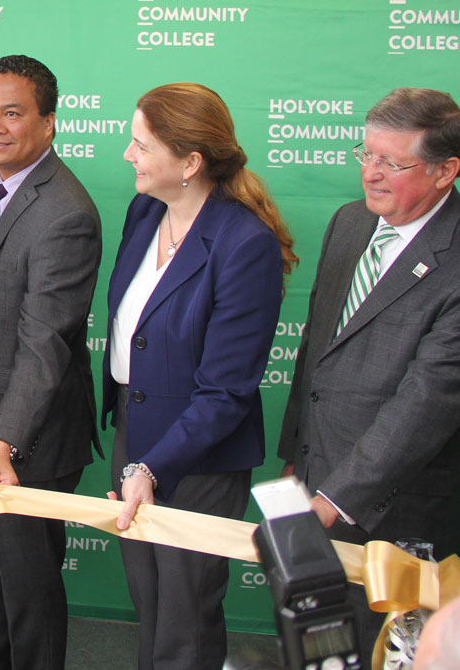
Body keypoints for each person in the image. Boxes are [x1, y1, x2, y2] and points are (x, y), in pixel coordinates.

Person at [105, 83, 294, 670]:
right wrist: (135, 456)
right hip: (134, 434)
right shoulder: (145, 210)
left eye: (141, 145)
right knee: (151, 602)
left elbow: (227, 391)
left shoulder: (245, 246)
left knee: (184, 618)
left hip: (199, 457)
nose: (128, 156)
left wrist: (152, 467)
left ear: (189, 163)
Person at [279, 87, 460, 663]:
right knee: (324, 650)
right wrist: (296, 461)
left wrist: (334, 498)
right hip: (317, 487)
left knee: (390, 654)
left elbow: (425, 403)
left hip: (400, 511)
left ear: (445, 171)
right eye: (366, 154)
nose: (371, 174)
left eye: (392, 162)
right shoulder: (350, 223)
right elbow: (315, 351)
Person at [0, 54, 101, 669]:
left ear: (49, 123)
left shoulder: (66, 213)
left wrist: (4, 440)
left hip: (25, 442)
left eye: (13, 113)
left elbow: (45, 344)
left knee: (26, 596)